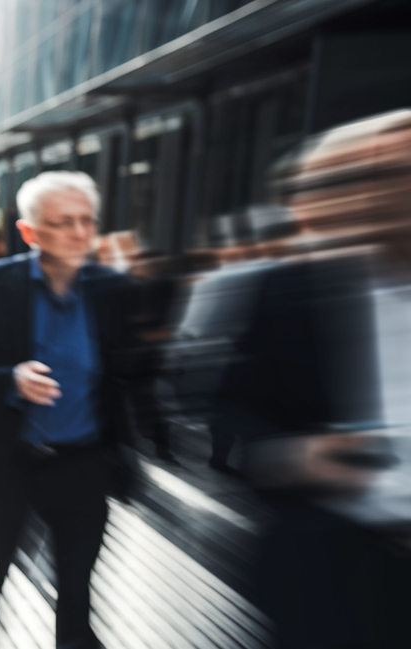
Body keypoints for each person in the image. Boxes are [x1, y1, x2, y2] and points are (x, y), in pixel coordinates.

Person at [217, 110, 411, 648]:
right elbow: (234, 410)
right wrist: (294, 455)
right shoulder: (294, 292)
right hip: (335, 575)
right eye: (390, 173)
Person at [0, 171, 141, 649]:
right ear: (30, 232)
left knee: (77, 582)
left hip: (83, 463)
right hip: (11, 458)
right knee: (1, 557)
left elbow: (129, 374)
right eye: (62, 222)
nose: (79, 233)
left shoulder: (112, 288)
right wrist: (10, 379)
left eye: (86, 220)